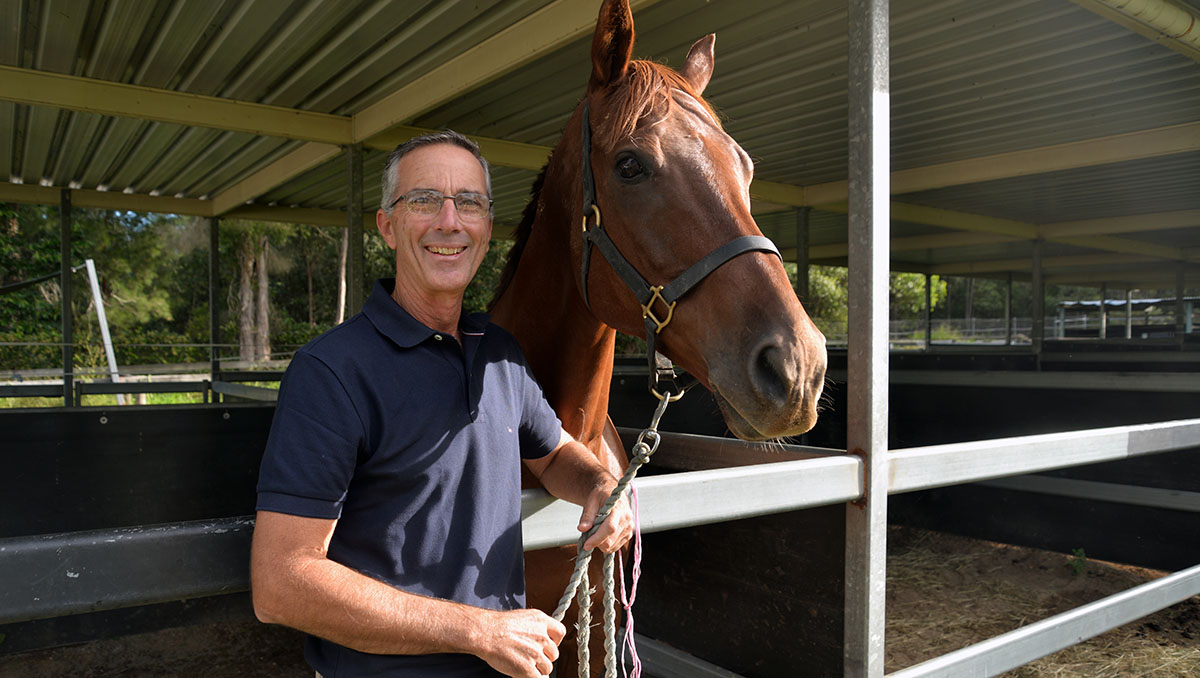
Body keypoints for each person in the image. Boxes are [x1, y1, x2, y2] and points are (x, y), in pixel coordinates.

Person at [250, 130, 633, 678]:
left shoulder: (500, 354)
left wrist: (599, 485)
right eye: (424, 200)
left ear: (486, 228)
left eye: (469, 203)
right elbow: (281, 583)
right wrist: (479, 630)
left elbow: (552, 456)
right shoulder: (331, 371)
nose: (449, 221)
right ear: (387, 225)